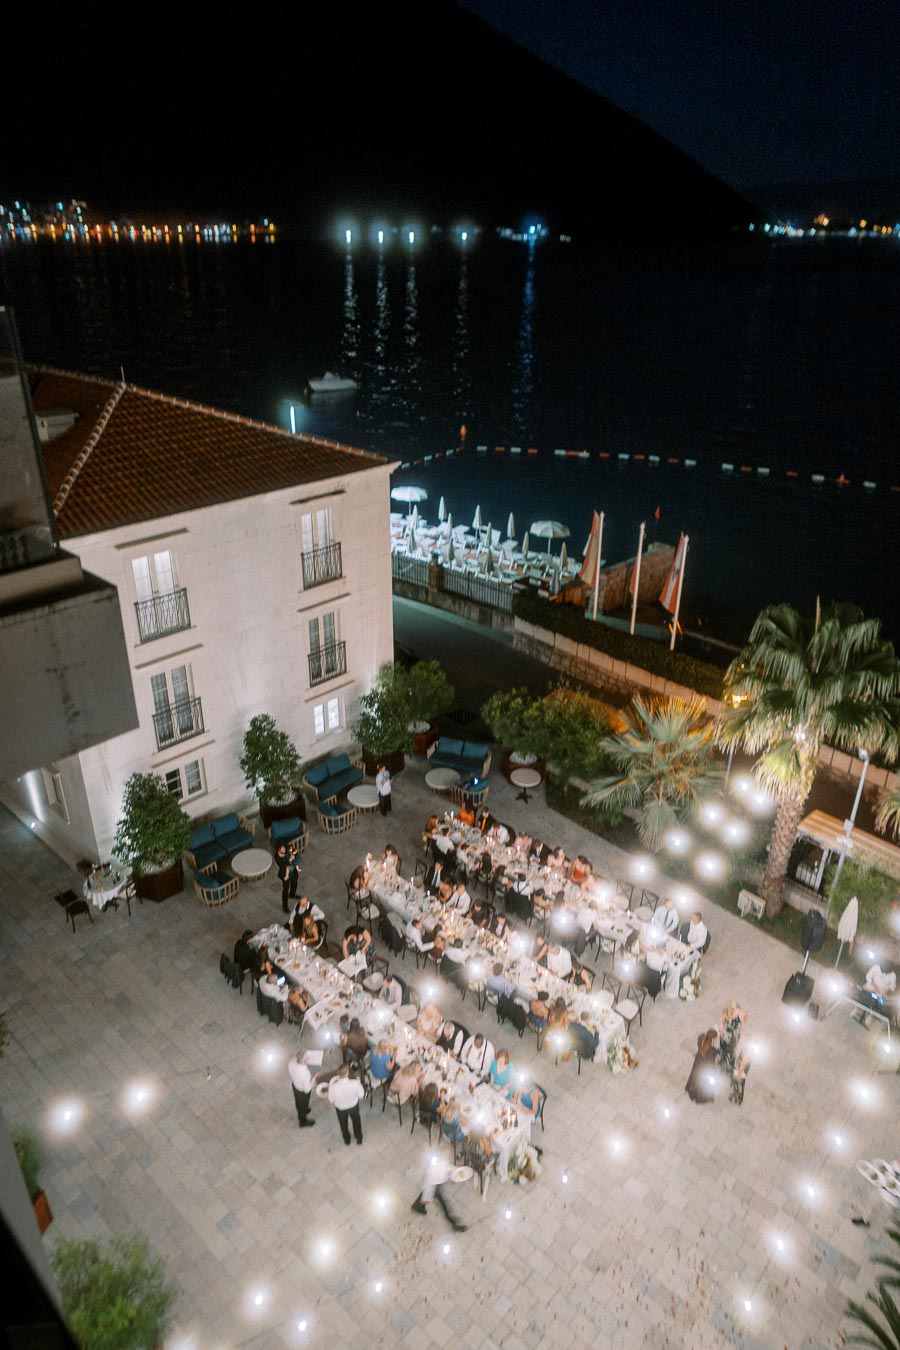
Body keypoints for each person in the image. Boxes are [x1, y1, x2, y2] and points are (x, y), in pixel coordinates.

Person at [411, 1147, 467, 1231]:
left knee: (426, 1196)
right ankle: (454, 1224)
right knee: (444, 1206)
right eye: (447, 1153)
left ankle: (419, 1206)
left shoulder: (442, 1162)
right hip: (434, 1187)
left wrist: (458, 1172)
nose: (449, 1155)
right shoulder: (440, 1164)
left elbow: (450, 1170)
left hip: (434, 1185)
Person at [328, 1063, 365, 1145]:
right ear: (347, 1073)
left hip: (340, 1109)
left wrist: (335, 1103)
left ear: (338, 1074)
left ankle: (347, 1140)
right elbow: (361, 1095)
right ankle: (359, 1138)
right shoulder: (354, 1083)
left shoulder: (332, 1087)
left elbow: (331, 1100)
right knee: (356, 1122)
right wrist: (359, 1083)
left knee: (343, 1125)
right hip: (353, 1107)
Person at [685, 1029, 720, 1104]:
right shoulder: (711, 1050)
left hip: (698, 1065)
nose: (718, 1038)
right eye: (717, 1037)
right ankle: (701, 1098)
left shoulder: (702, 1039)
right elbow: (711, 1064)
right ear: (713, 1039)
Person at [288, 1050, 317, 1127]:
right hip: (302, 1092)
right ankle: (302, 1121)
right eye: (307, 1057)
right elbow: (307, 1089)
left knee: (298, 1102)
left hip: (295, 1086)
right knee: (303, 1105)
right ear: (304, 1061)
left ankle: (301, 1109)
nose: (309, 1058)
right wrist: (314, 1078)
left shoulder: (292, 1061)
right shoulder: (304, 1073)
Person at [275, 842, 299, 913]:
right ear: (278, 850)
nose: (284, 849)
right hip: (285, 874)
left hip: (293, 871)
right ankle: (285, 906)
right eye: (282, 849)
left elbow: (295, 853)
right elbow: (282, 866)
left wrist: (295, 853)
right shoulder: (277, 857)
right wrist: (289, 860)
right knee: (286, 889)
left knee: (295, 883)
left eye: (284, 848)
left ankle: (292, 894)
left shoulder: (287, 851)